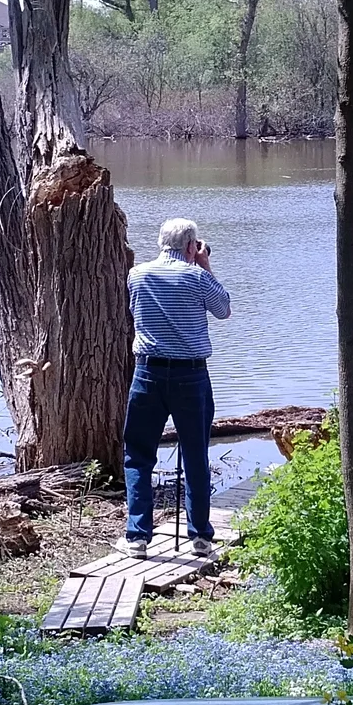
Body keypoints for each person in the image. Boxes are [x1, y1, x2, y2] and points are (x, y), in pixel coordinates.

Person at [121, 216, 232, 557]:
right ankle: (200, 536)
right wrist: (204, 264)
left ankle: (137, 537)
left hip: (147, 374)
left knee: (138, 455)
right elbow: (224, 309)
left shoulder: (137, 275)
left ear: (160, 244)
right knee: (196, 453)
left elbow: (134, 311)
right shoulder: (198, 277)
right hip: (191, 376)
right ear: (189, 246)